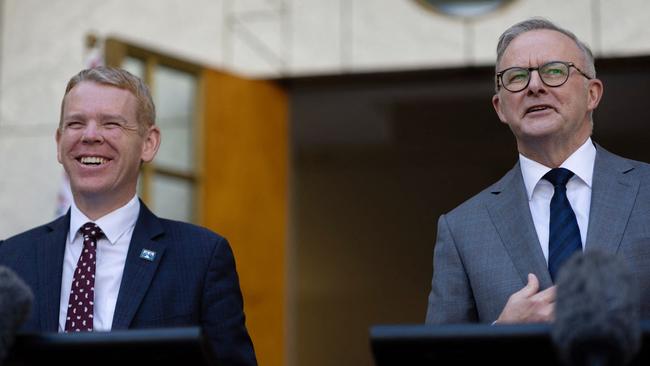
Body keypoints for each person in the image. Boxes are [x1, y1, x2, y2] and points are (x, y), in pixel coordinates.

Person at [0, 67, 257, 365]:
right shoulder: (10, 259)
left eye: (111, 124)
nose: (90, 135)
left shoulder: (201, 258)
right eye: (76, 123)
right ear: (59, 142)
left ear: (148, 143)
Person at [426, 18, 650, 324]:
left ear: (593, 94)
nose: (534, 86)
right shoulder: (462, 229)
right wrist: (500, 338)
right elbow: (434, 354)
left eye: (554, 71)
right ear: (500, 108)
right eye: (516, 77)